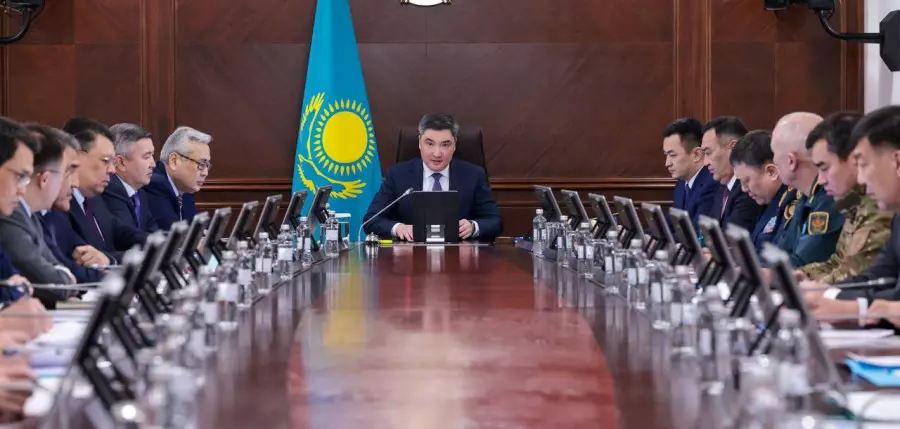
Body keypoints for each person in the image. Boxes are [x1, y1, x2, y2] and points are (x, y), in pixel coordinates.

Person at [800, 106, 900, 325]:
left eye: (863, 164)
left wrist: (860, 309)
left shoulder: (883, 211)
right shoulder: (897, 220)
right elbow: (876, 278)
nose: (861, 179)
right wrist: (823, 292)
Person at [363, 113, 502, 241]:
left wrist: (473, 226)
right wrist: (398, 228)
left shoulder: (474, 175)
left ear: (455, 144)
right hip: (410, 255)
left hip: (459, 253)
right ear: (419, 142)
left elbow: (495, 221)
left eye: (445, 145)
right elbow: (371, 220)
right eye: (430, 144)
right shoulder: (397, 175)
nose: (437, 153)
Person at [0, 117, 79, 308]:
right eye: (19, 176)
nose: (22, 190)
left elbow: (17, 285)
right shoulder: (11, 217)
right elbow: (44, 284)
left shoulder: (29, 216)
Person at [60, 117, 148, 264]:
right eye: (105, 161)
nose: (112, 170)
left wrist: (165, 245)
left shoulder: (94, 198)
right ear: (76, 156)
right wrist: (111, 260)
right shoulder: (59, 204)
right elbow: (86, 258)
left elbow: (124, 234)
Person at [770, 112, 843, 268]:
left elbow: (806, 260)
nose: (773, 160)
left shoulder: (830, 197)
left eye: (774, 154)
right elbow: (783, 250)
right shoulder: (803, 197)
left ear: (791, 161)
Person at [729, 130, 795, 251]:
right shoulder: (766, 201)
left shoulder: (791, 204)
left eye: (746, 181)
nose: (744, 189)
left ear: (771, 172)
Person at [700, 116, 761, 232]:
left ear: (733, 148)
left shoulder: (748, 190)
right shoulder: (721, 186)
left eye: (709, 152)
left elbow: (731, 238)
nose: (705, 162)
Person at [144, 126, 210, 230]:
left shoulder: (184, 188)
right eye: (201, 164)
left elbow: (196, 228)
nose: (205, 173)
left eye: (207, 165)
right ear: (174, 161)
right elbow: (173, 233)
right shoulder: (155, 185)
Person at [101, 123, 160, 233]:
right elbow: (129, 236)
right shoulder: (110, 190)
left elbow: (154, 233)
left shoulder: (140, 193)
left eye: (152, 155)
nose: (153, 164)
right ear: (121, 162)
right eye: (146, 156)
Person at [662, 118, 717, 229]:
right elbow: (670, 223)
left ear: (697, 154)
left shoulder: (711, 184)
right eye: (666, 155)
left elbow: (695, 232)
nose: (667, 163)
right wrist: (644, 234)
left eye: (672, 155)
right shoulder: (682, 182)